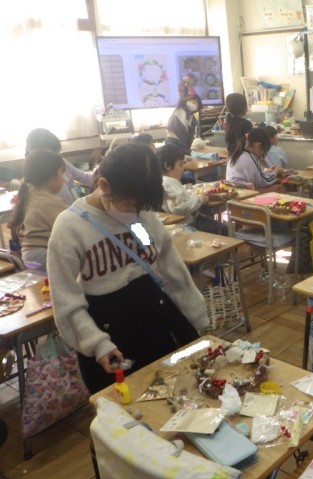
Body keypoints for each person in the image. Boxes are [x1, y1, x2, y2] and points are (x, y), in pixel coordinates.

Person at [47, 143, 208, 393]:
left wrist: (197, 314)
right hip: (108, 330)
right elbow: (65, 299)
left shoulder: (139, 218)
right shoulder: (70, 227)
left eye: (141, 208)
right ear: (104, 185)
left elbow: (166, 265)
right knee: (123, 404)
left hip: (153, 316)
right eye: (129, 206)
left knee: (177, 392)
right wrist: (97, 343)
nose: (135, 213)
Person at [9, 149, 67, 271]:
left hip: (29, 255)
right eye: (62, 174)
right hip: (43, 256)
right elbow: (73, 227)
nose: (64, 179)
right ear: (51, 176)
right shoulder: (50, 201)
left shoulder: (29, 194)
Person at [25, 128, 94, 206]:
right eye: (54, 153)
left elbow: (84, 177)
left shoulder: (60, 162)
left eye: (58, 152)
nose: (58, 157)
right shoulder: (41, 188)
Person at [165, 77, 203, 154]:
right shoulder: (181, 108)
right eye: (193, 101)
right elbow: (182, 93)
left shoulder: (192, 118)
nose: (195, 104)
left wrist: (187, 150)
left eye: (197, 103)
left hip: (183, 144)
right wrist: (184, 83)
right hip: (173, 142)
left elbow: (190, 137)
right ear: (186, 100)